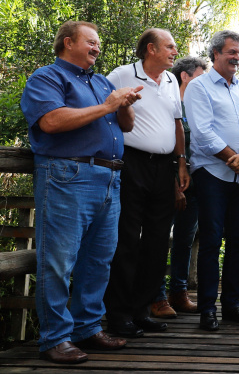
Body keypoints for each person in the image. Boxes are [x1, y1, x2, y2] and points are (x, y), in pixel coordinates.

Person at [21, 20, 141, 364]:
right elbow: (52, 122)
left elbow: (127, 126)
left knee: (98, 261)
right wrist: (108, 105)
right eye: (91, 41)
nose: (97, 47)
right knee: (58, 261)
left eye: (98, 43)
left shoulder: (101, 82)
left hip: (110, 178)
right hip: (68, 174)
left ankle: (86, 328)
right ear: (68, 42)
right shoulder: (47, 77)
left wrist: (124, 103)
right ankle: (55, 338)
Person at [104, 29, 189, 338]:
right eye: (170, 47)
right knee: (126, 239)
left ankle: (141, 310)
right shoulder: (123, 73)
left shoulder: (170, 80)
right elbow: (105, 112)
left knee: (156, 242)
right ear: (151, 49)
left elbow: (177, 124)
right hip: (131, 163)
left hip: (164, 168)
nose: (174, 52)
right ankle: (118, 314)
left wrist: (181, 162)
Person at [184, 30, 239, 331]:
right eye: (232, 52)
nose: (237, 58)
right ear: (216, 53)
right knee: (210, 241)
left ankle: (232, 304)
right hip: (212, 175)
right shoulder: (199, 87)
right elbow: (203, 134)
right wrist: (238, 161)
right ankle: (207, 308)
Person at [150, 56, 208, 318]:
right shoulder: (171, 103)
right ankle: (156, 296)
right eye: (200, 75)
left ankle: (179, 292)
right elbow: (164, 146)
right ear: (185, 76)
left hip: (195, 183)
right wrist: (175, 184)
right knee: (159, 239)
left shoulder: (200, 107)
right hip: (167, 181)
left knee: (185, 240)